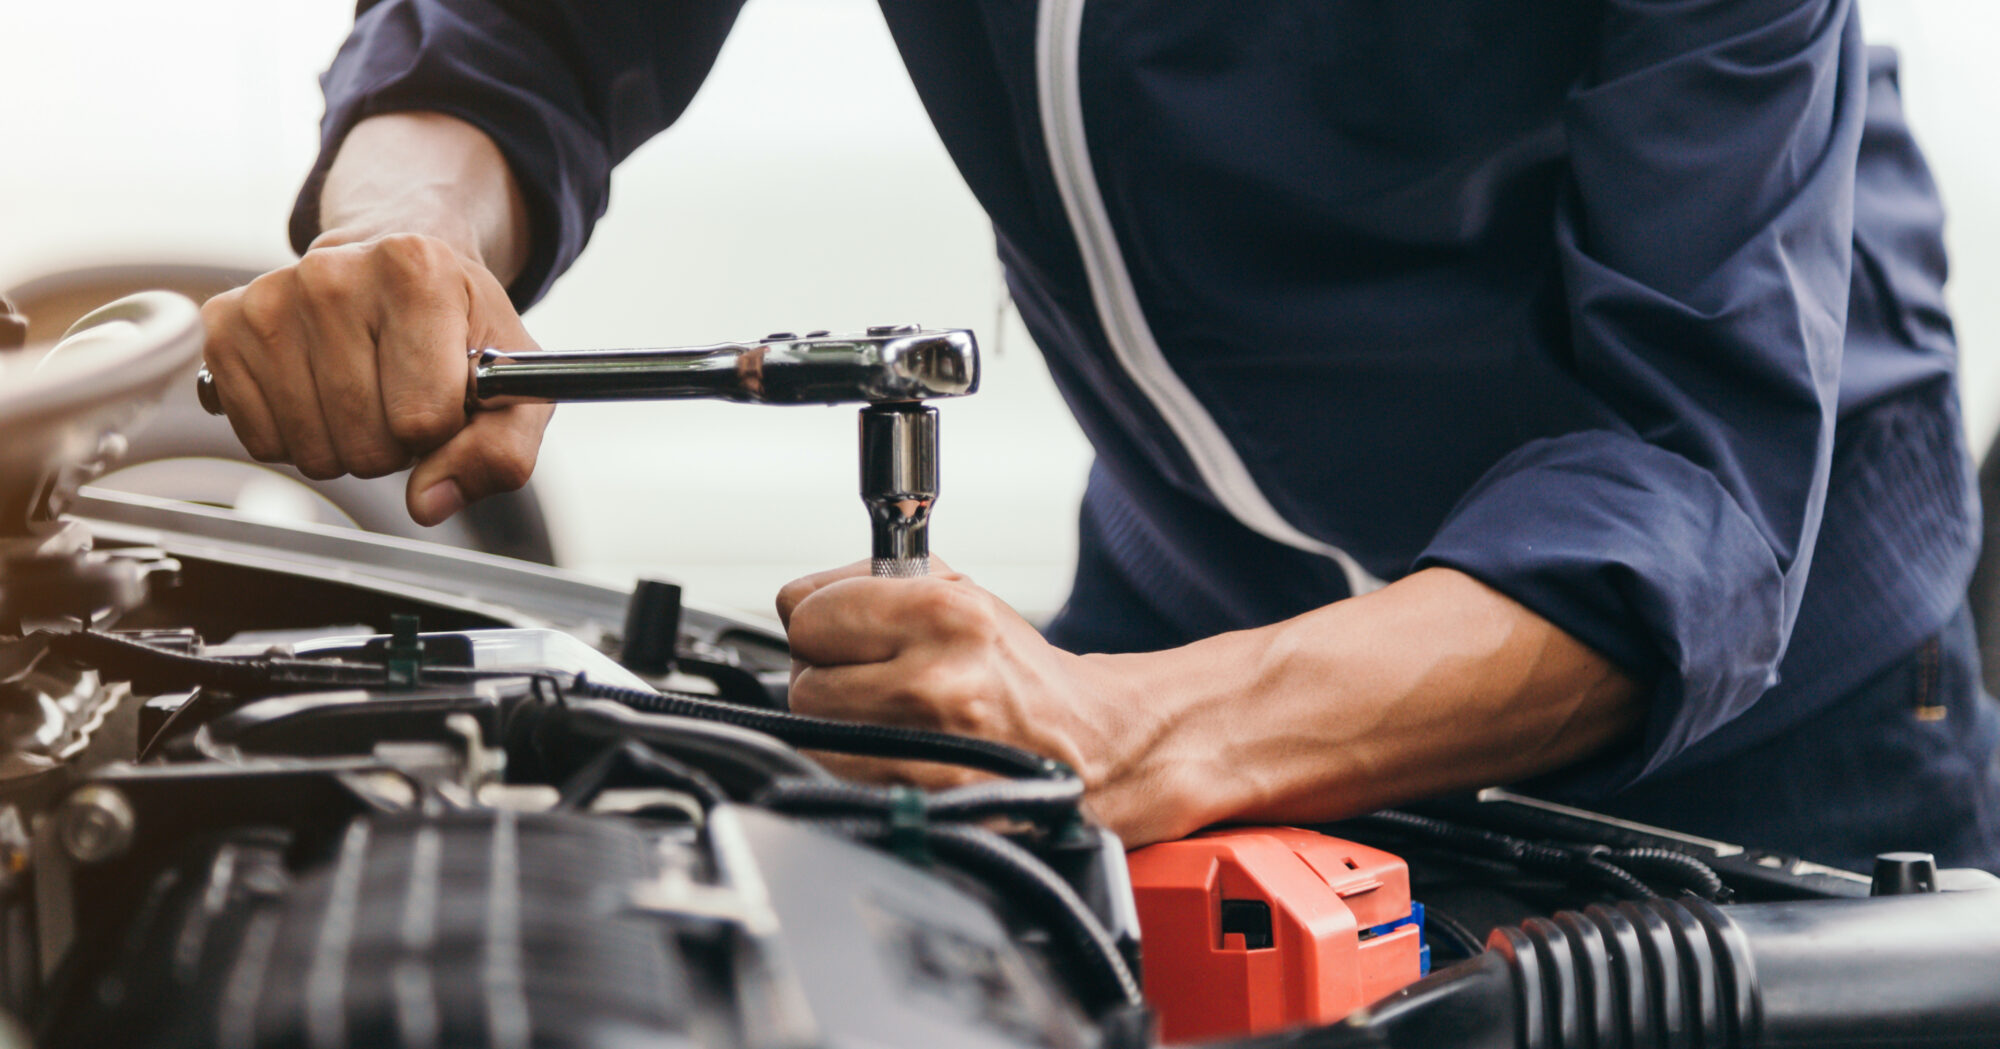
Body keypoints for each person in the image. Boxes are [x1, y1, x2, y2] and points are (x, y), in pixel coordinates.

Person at [199, 0, 2000, 871]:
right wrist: (401, 235)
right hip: (1180, 603)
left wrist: (1130, 728)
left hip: (1772, 732)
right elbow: (523, 29)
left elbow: (1698, 473)